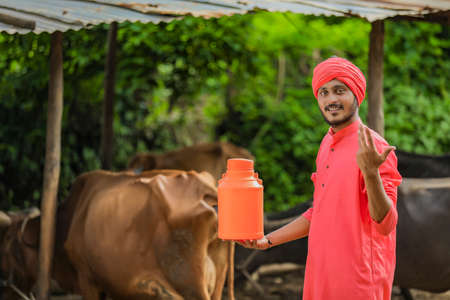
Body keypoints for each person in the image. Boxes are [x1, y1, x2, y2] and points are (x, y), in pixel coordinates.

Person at [237, 57, 402, 300]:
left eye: (339, 91)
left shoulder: (373, 147)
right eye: (323, 92)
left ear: (356, 94)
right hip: (321, 274)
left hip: (359, 282)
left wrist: (370, 173)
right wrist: (267, 240)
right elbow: (319, 212)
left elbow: (386, 223)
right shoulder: (327, 143)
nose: (331, 99)